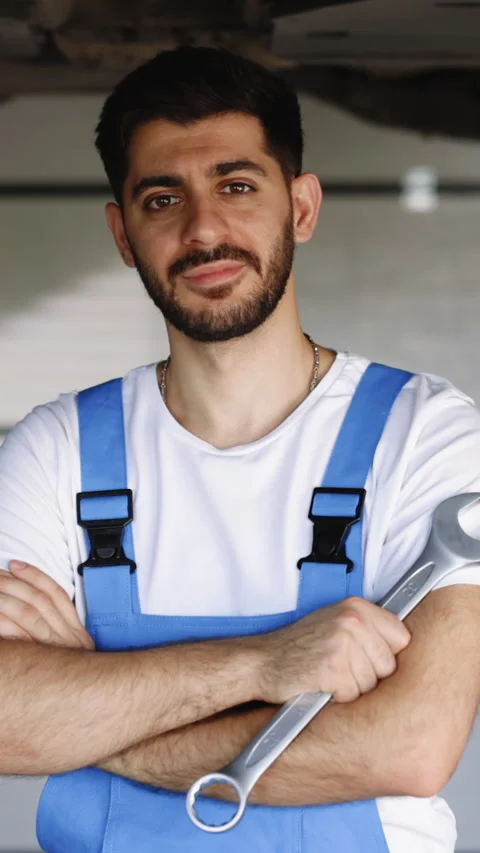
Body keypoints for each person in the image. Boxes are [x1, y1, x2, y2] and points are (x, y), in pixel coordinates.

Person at [0, 45, 479, 853]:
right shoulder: (58, 448)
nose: (204, 229)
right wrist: (262, 664)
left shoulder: (427, 433)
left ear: (301, 207)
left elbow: (410, 744)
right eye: (162, 199)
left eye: (237, 185)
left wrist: (88, 719)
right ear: (123, 233)